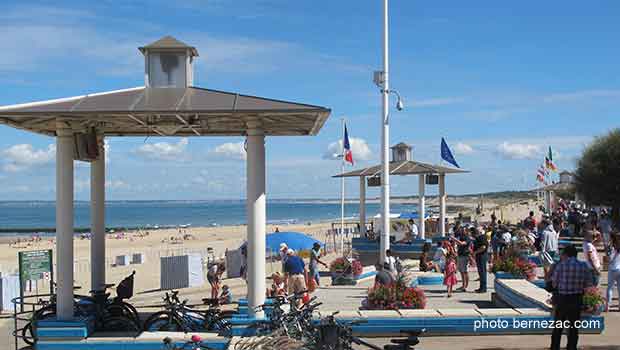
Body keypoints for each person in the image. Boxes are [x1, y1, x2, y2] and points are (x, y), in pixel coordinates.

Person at [551, 245, 593, 350]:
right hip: (576, 299)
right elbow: (588, 284)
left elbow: (554, 284)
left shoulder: (561, 265)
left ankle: (555, 347)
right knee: (574, 327)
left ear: (566, 254)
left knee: (558, 326)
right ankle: (571, 347)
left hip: (562, 299)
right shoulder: (583, 266)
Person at [606, 234, 620, 312]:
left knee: (610, 288)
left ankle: (607, 306)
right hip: (619, 268)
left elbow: (609, 259)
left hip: (612, 269)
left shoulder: (611, 247)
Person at [472, 227, 488, 293]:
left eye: (476, 231)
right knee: (481, 272)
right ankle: (481, 287)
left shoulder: (482, 237)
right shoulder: (480, 237)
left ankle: (483, 288)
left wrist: (475, 252)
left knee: (482, 272)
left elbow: (483, 247)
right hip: (480, 256)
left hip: (482, 256)